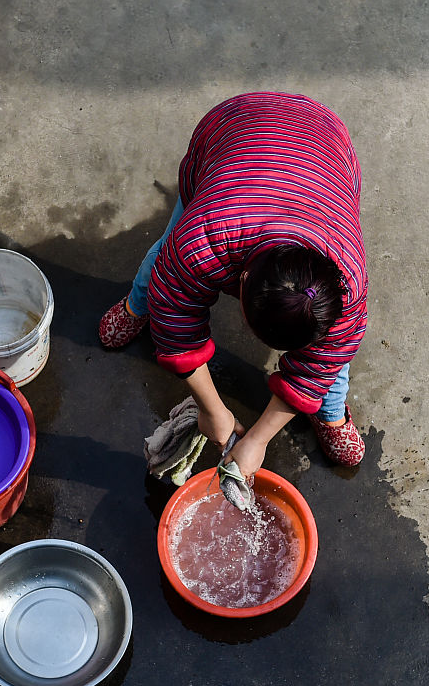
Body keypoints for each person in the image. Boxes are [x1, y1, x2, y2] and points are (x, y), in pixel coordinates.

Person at [99, 92, 368, 476]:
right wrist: (212, 411)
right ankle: (136, 306)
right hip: (235, 131)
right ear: (240, 278)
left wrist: (257, 440)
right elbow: (177, 322)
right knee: (166, 259)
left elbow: (325, 359)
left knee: (336, 357)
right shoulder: (203, 238)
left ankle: (330, 411)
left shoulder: (348, 285)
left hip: (327, 147)